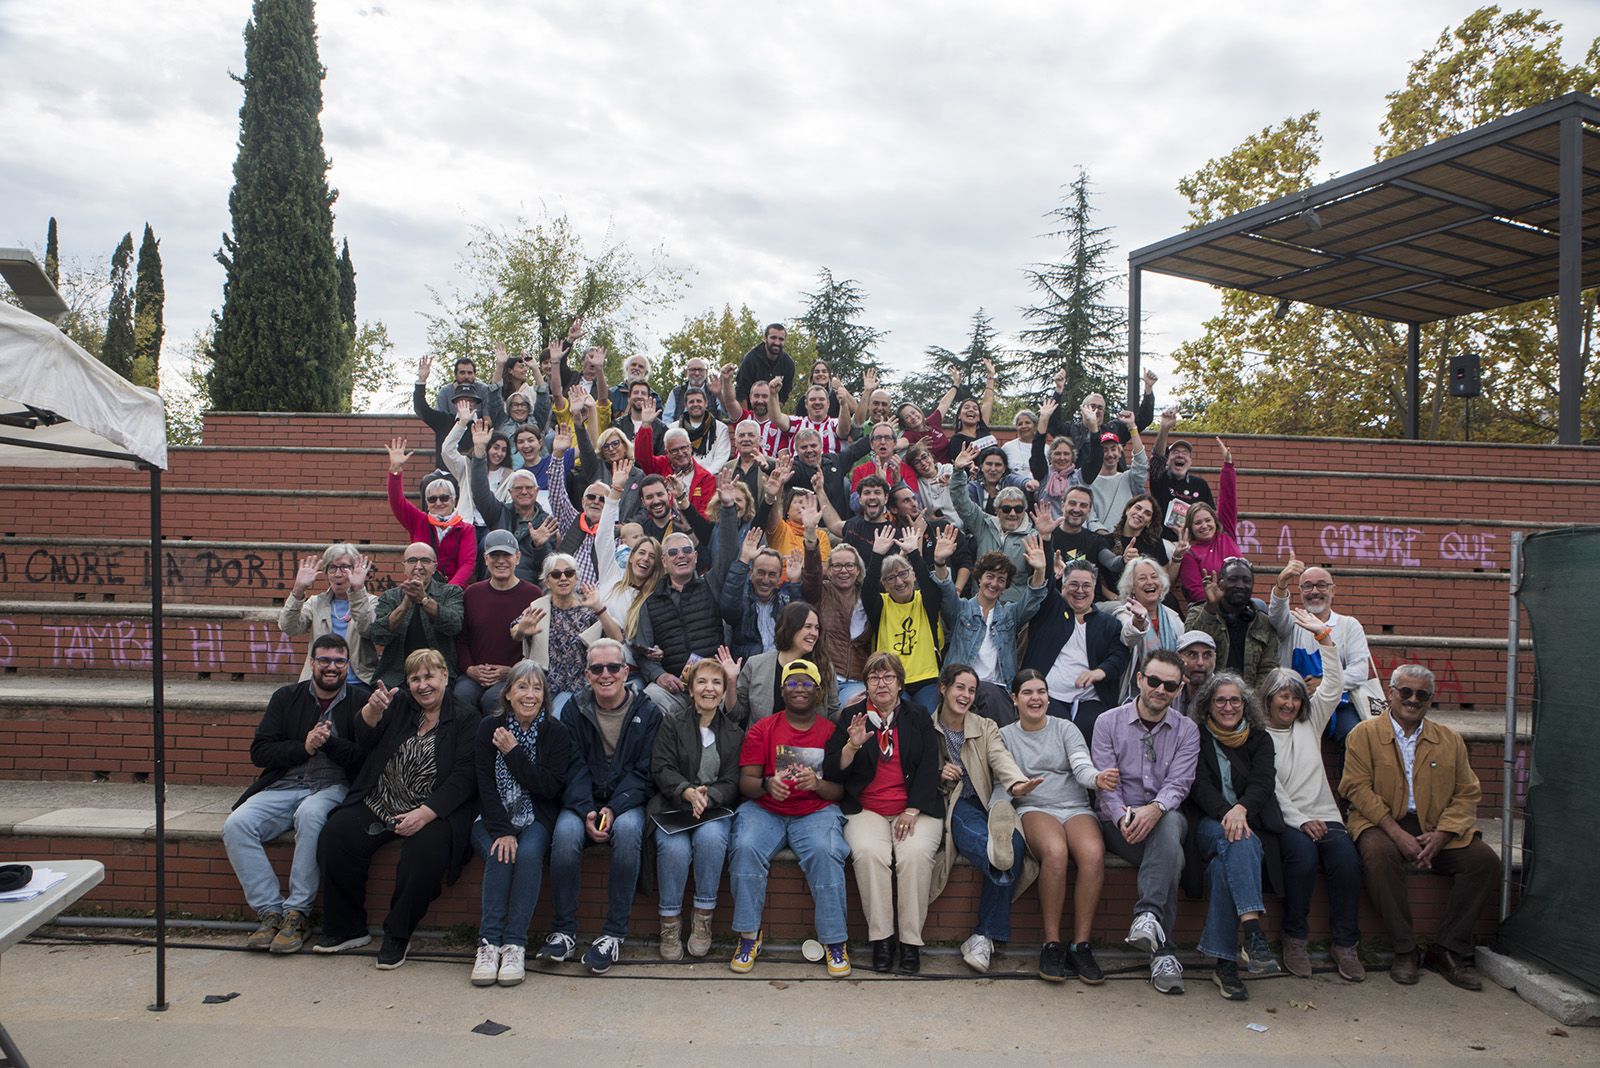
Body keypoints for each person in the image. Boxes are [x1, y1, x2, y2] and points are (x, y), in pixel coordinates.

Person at [313, 649, 480, 969]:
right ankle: (347, 928)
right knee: (337, 833)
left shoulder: (466, 718)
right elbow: (365, 739)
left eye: (429, 676)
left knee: (423, 853)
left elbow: (464, 778)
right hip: (381, 800)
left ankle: (398, 934)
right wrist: (371, 713)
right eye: (415, 678)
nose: (422, 685)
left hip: (433, 811)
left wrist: (425, 813)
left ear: (445, 676)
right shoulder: (401, 704)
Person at [1340, 665, 1498, 991]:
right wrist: (1396, 834)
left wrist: (1442, 835)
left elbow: (1467, 793)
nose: (1413, 700)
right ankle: (1405, 949)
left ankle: (1447, 949)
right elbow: (1356, 788)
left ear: (1430, 700)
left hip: (1434, 825)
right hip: (1380, 822)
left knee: (1483, 861)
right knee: (1378, 855)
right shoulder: (1364, 734)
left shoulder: (1449, 740)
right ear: (1391, 693)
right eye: (1406, 692)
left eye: (1421, 695)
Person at [225, 635, 370, 955]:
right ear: (312, 662)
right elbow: (260, 752)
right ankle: (270, 912)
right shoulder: (286, 697)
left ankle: (297, 913)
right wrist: (303, 747)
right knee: (237, 824)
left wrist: (329, 744)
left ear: (348, 665)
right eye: (324, 660)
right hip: (284, 785)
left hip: (331, 787)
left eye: (339, 661)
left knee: (311, 814)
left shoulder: (361, 700)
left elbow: (364, 759)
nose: (331, 667)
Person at [535, 639, 662, 975]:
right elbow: (571, 766)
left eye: (613, 667)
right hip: (583, 798)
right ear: (586, 674)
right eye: (597, 668)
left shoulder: (648, 712)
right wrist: (587, 808)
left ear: (626, 671)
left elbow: (645, 770)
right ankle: (564, 931)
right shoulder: (572, 709)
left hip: (627, 800)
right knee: (564, 835)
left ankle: (613, 934)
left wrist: (615, 809)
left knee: (631, 830)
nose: (605, 674)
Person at [728, 659, 852, 977]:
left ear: (818, 691)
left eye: (806, 683)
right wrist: (768, 784)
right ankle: (748, 936)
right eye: (793, 683)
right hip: (766, 809)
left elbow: (840, 791)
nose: (799, 689)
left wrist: (819, 784)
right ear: (783, 691)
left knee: (827, 852)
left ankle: (835, 941)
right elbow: (746, 782)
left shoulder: (830, 732)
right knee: (745, 846)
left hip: (814, 811)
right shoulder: (762, 729)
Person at [823, 652, 945, 974]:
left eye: (888, 677)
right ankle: (882, 940)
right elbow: (833, 771)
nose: (881, 683)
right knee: (868, 852)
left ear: (900, 683)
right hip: (866, 807)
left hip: (914, 808)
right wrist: (852, 745)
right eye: (874, 678)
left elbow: (930, 765)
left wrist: (912, 808)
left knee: (914, 855)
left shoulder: (918, 716)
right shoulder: (853, 716)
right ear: (865, 684)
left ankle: (909, 943)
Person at [1258, 619, 1365, 982]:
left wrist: (1325, 640)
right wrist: (1300, 820)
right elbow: (1271, 787)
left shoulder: (1310, 723)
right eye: (1282, 696)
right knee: (1302, 858)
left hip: (1325, 814)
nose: (1289, 703)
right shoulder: (1259, 736)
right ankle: (1295, 938)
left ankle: (1345, 944)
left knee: (1347, 861)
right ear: (1268, 698)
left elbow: (1333, 685)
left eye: (1294, 697)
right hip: (1289, 820)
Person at [1091, 649, 1199, 995]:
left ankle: (1149, 917)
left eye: (1169, 685)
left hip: (1164, 816)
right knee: (1173, 857)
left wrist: (1154, 809)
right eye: (1154, 681)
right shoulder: (1108, 722)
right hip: (1117, 821)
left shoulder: (1187, 730)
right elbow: (1107, 786)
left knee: (1167, 825)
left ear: (1179, 689)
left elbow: (1179, 784)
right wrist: (1126, 816)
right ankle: (1163, 952)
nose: (1160, 689)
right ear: (1140, 679)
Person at [1002, 669, 1121, 984]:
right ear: (1014, 699)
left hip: (1074, 806)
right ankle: (1051, 944)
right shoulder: (1005, 735)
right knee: (1055, 852)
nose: (1036, 698)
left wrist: (1096, 778)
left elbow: (1081, 764)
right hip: (1034, 806)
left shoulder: (1066, 728)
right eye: (1027, 692)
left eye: (1041, 691)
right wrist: (1018, 789)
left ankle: (1080, 945)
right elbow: (1003, 779)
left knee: (1093, 854)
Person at [1183, 672, 1286, 1000]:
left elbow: (1263, 782)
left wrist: (1241, 809)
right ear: (1208, 705)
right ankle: (1253, 931)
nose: (1228, 706)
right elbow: (1198, 785)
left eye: (1235, 700)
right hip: (1207, 824)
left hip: (1247, 821)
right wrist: (1227, 813)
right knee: (1238, 840)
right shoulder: (1195, 736)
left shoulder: (1260, 739)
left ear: (1246, 704)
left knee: (1225, 864)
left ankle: (1225, 964)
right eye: (1220, 700)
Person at [469, 661, 573, 987]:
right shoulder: (489, 727)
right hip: (491, 817)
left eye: (537, 687)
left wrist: (514, 753)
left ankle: (514, 944)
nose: (530, 695)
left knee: (526, 855)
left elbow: (548, 787)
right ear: (508, 693)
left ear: (545, 695)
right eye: (522, 687)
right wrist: (501, 830)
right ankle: (489, 945)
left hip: (535, 816)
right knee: (502, 852)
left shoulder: (556, 733)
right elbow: (484, 784)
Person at [930, 665, 1037, 975]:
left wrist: (1017, 783)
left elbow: (1000, 757)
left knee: (1013, 844)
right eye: (959, 688)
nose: (965, 695)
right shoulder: (927, 726)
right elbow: (916, 769)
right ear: (943, 688)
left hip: (989, 801)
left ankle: (982, 935)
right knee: (992, 847)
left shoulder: (985, 726)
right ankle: (984, 936)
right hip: (954, 802)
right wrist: (939, 774)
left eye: (971, 690)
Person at [650, 653, 744, 961]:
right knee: (674, 849)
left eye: (717, 682)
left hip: (714, 809)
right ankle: (670, 924)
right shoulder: (672, 723)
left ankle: (703, 922)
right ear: (690, 689)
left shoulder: (733, 732)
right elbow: (661, 767)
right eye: (702, 682)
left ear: (723, 690)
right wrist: (687, 791)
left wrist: (710, 796)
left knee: (711, 839)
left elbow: (732, 781)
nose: (709, 688)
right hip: (674, 806)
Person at [1268, 560, 1383, 744]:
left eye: (1321, 585)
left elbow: (1360, 671)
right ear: (1300, 591)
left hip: (1341, 704)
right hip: (1295, 703)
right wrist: (1282, 582)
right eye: (1307, 586)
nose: (1314, 591)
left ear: (1333, 591)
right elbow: (1275, 614)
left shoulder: (1349, 625)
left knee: (1356, 737)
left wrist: (1325, 684)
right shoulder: (1291, 622)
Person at [1019, 559, 1128, 743]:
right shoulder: (1050, 611)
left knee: (1094, 728)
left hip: (1089, 698)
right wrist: (1046, 539)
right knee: (1058, 730)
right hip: (1049, 695)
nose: (1080, 590)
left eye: (1086, 585)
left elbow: (1119, 655)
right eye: (1074, 584)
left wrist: (1100, 672)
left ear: (1094, 589)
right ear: (1063, 586)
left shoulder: (1108, 623)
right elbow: (1044, 584)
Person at [636, 530, 737, 717]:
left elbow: (728, 552)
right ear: (664, 562)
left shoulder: (711, 583)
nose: (681, 555)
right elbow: (643, 653)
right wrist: (659, 675)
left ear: (696, 556)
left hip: (713, 681)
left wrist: (728, 506)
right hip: (675, 688)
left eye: (686, 550)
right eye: (673, 553)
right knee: (649, 698)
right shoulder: (649, 603)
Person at [935, 535, 1048, 693]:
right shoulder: (961, 609)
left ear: (1005, 586)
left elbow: (1032, 598)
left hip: (999, 690)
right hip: (961, 688)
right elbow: (946, 590)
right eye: (990, 576)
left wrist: (1040, 570)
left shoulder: (1010, 613)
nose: (994, 584)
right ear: (979, 579)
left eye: (1001, 580)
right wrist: (940, 562)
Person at [515, 553, 623, 719]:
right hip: (541, 684)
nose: (563, 578)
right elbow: (515, 632)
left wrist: (599, 608)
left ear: (576, 578)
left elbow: (617, 638)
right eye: (556, 575)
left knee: (556, 717)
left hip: (580, 686)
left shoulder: (588, 607)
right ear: (547, 581)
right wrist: (522, 630)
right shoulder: (539, 607)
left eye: (569, 573)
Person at [454, 530, 541, 715]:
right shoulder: (472, 593)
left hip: (513, 676)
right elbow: (462, 639)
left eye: (506, 555)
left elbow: (537, 646)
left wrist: (512, 671)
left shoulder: (533, 595)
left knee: (493, 700)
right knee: (461, 695)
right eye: (494, 555)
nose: (500, 561)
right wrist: (470, 670)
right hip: (475, 675)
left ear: (517, 557)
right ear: (485, 559)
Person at [862, 523, 946, 713]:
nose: (899, 581)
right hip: (889, 679)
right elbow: (867, 592)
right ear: (884, 583)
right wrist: (876, 555)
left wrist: (914, 553)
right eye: (891, 578)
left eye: (903, 574)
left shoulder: (925, 600)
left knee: (926, 721)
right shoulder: (881, 604)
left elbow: (931, 588)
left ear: (913, 575)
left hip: (927, 679)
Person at [368, 542, 465, 688]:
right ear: (404, 567)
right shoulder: (390, 597)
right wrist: (403, 607)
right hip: (396, 678)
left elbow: (454, 625)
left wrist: (424, 599)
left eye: (425, 561)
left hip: (438, 676)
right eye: (412, 561)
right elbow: (378, 636)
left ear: (434, 567)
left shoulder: (451, 592)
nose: (418, 566)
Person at [384, 438, 477, 587]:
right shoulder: (419, 521)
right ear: (427, 503)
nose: (438, 503)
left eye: (444, 498)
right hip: (418, 586)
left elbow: (467, 564)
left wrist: (449, 591)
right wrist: (395, 469)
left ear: (454, 501)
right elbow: (397, 501)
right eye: (432, 499)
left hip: (451, 590)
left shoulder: (466, 529)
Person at [278, 544, 377, 683]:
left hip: (357, 682)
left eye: (345, 567)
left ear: (356, 570)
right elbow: (289, 628)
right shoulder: (315, 603)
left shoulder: (372, 603)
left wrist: (358, 590)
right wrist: (298, 590)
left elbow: (367, 629)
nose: (338, 574)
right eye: (332, 568)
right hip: (318, 682)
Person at [736, 601, 840, 725]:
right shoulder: (756, 665)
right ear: (790, 628)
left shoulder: (824, 666)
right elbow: (737, 713)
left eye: (817, 628)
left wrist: (851, 709)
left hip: (807, 743)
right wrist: (731, 680)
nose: (814, 633)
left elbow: (832, 714)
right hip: (764, 742)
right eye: (807, 626)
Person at [1184, 557, 1281, 688]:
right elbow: (1191, 648)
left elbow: (1268, 669)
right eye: (1233, 579)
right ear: (1220, 583)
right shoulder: (1199, 612)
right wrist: (1211, 607)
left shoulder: (1263, 622)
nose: (1240, 585)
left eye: (1246, 581)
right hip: (1206, 696)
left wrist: (1252, 702)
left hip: (1248, 700)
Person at [802, 532, 872, 709]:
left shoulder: (869, 599)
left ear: (858, 570)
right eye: (837, 565)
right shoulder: (820, 592)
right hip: (823, 675)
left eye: (849, 565)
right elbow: (811, 574)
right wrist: (811, 542)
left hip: (856, 680)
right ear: (829, 570)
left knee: (856, 709)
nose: (843, 570)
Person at [1109, 557, 1186, 701]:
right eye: (1142, 578)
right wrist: (1139, 620)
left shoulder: (1173, 618)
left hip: (1170, 696)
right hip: (1133, 696)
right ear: (1132, 587)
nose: (1150, 582)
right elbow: (1128, 636)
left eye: (1154, 577)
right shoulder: (1123, 614)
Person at [1176, 439, 1240, 606]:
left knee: (1260, 607)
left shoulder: (1226, 535)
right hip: (1208, 607)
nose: (1204, 526)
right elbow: (1195, 591)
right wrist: (1219, 600)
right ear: (1191, 528)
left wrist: (1228, 465)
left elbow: (1228, 502)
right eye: (1198, 523)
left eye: (1207, 520)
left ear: (1215, 521)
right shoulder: (1191, 554)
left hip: (1239, 600)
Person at [1098, 494, 1184, 601]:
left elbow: (1165, 582)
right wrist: (1114, 597)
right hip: (1118, 603)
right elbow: (1096, 578)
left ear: (1149, 522)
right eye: (1138, 508)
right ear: (1127, 510)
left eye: (1147, 513)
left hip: (1150, 600)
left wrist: (1177, 557)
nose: (1140, 514)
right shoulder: (1106, 541)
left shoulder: (1155, 543)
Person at [1082, 416, 1149, 535]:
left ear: (1120, 451)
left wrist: (1133, 428)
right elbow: (1090, 518)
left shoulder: (1129, 478)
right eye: (1105, 450)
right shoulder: (1088, 483)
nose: (1110, 454)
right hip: (1100, 542)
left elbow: (1141, 464)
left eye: (1113, 449)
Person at [734, 323, 797, 408]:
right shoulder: (750, 360)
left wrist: (772, 417)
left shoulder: (788, 364)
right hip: (749, 410)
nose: (777, 342)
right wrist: (747, 417)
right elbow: (741, 392)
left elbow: (784, 395)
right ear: (765, 338)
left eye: (781, 339)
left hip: (772, 413)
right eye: (773, 338)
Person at [1174, 630, 1216, 716]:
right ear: (1178, 658)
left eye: (1207, 655)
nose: (1200, 663)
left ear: (1214, 658)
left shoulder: (1224, 696)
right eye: (1192, 655)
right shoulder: (1169, 691)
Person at [1003, 408, 1038, 478]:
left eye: (1027, 423)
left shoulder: (1045, 448)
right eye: (1020, 424)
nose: (1024, 426)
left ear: (1035, 425)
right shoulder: (1007, 447)